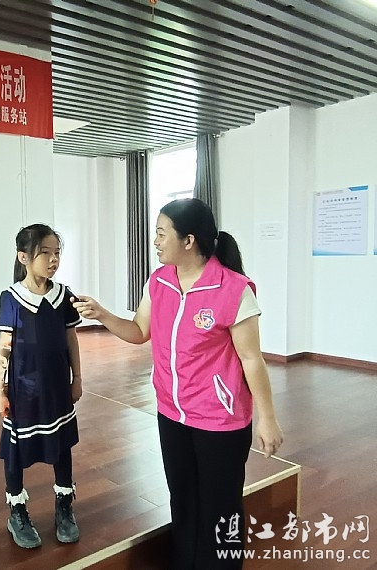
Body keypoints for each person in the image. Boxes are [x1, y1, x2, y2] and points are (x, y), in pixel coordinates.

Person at [73, 198, 283, 569]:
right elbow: (139, 331)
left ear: (188, 241)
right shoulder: (159, 282)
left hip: (220, 419)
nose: (154, 241)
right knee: (183, 498)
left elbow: (252, 359)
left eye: (161, 233)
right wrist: (102, 314)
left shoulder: (233, 290)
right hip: (172, 413)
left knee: (221, 507)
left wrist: (267, 418)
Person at [0, 223, 83, 549]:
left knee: (61, 445)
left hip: (57, 388)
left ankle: (64, 506)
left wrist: (77, 377)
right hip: (24, 391)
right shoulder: (11, 298)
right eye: (44, 253)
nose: (53, 259)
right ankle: (17, 512)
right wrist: (0, 389)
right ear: (23, 257)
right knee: (16, 451)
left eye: (56, 253)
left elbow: (71, 339)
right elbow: (4, 347)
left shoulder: (63, 296)